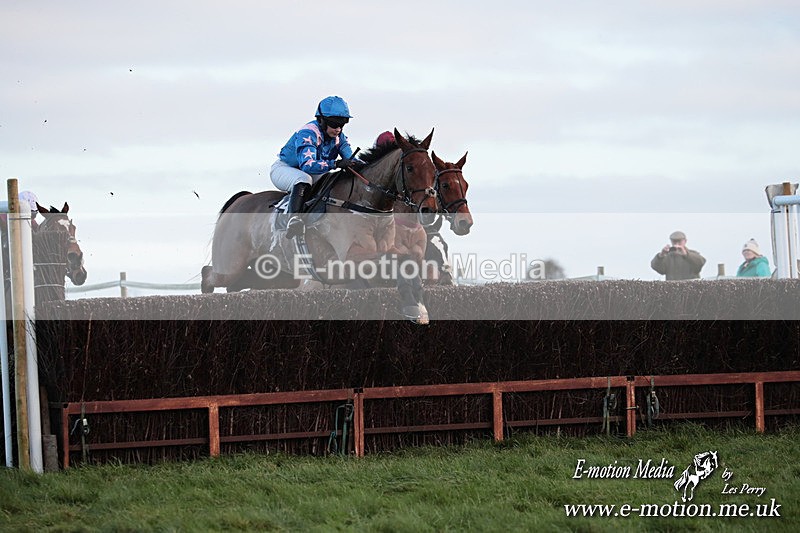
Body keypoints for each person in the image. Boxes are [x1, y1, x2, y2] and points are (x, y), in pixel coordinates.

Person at [271, 96, 358, 238]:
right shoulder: (308, 133)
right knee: (303, 178)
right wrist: (335, 164)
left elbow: (353, 160)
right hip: (285, 169)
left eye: (342, 124)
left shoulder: (339, 137)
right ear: (321, 120)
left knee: (333, 178)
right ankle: (294, 219)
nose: (338, 129)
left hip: (312, 173)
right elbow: (308, 165)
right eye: (334, 124)